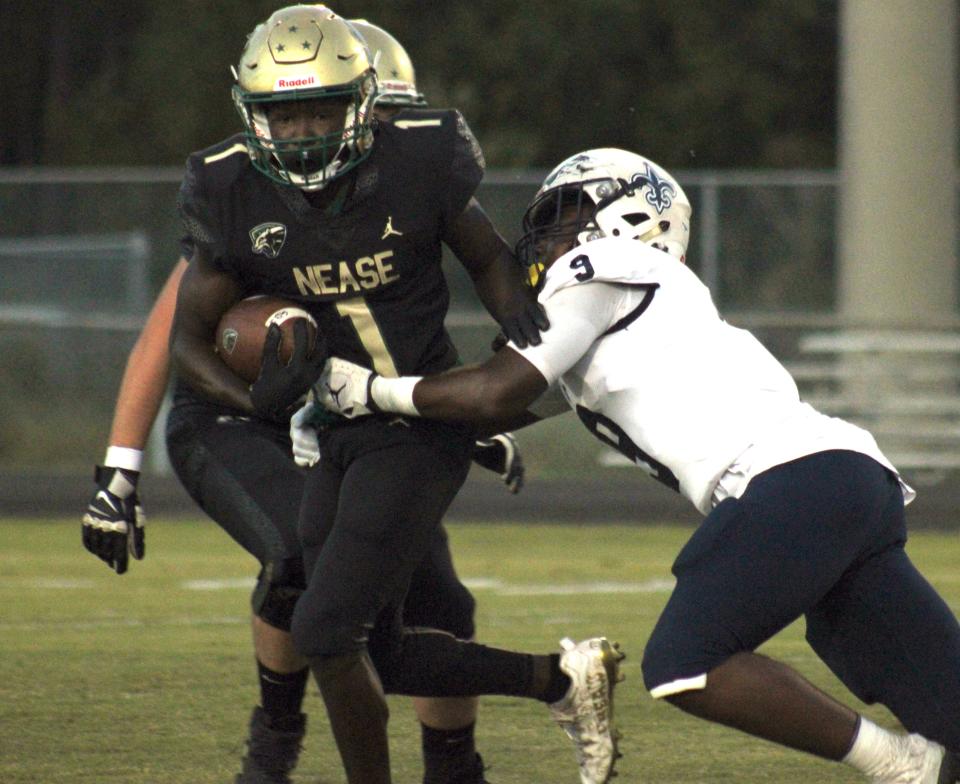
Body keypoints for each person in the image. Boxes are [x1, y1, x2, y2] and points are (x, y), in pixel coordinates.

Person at [313, 147, 960, 784]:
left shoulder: (610, 265)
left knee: (686, 661)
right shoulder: (626, 316)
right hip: (840, 481)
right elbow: (483, 408)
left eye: (567, 214)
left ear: (632, 217)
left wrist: (370, 390)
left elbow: (496, 390)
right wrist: (335, 414)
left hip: (792, 482)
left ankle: (900, 766)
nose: (546, 238)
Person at [168, 6, 621, 784]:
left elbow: (485, 258)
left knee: (324, 626)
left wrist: (517, 341)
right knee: (378, 645)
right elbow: (186, 342)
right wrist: (258, 406)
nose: (305, 132)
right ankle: (564, 681)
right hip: (338, 427)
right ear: (251, 115)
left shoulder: (419, 157)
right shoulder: (229, 187)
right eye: (284, 114)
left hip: (416, 421)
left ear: (365, 102)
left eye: (322, 109)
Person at [81, 16, 524, 784]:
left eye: (381, 116)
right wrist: (119, 470)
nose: (322, 139)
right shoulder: (243, 195)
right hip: (242, 409)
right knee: (304, 564)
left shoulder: (407, 167)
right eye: (295, 118)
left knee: (437, 602)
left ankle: (455, 765)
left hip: (358, 415)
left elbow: (395, 336)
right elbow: (170, 336)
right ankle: (275, 741)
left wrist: (453, 410)